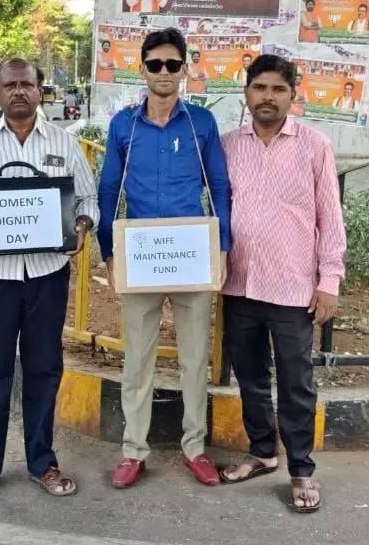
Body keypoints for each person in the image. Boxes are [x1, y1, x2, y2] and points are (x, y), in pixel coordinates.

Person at [0, 58, 100, 503]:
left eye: (26, 84)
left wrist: (82, 225)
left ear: (39, 89)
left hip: (47, 274)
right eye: (9, 85)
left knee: (44, 369)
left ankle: (42, 462)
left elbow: (87, 197)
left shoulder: (63, 143)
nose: (18, 92)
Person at [98, 28, 232, 489]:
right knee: (138, 360)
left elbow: (219, 189)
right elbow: (108, 191)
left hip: (192, 256)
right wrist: (108, 250)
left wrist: (223, 247)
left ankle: (194, 448)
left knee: (195, 360)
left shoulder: (201, 125)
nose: (164, 72)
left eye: (173, 64)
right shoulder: (124, 125)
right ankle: (134, 451)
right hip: (141, 258)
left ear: (184, 70)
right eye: (155, 64)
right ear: (142, 69)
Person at [217, 54, 345, 514]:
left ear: (294, 95)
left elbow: (330, 216)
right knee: (250, 377)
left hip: (292, 288)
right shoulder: (229, 144)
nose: (268, 97)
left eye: (278, 89)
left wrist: (329, 279)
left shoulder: (314, 146)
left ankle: (301, 470)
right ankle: (262, 452)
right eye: (260, 88)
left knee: (296, 382)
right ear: (246, 93)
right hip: (238, 285)